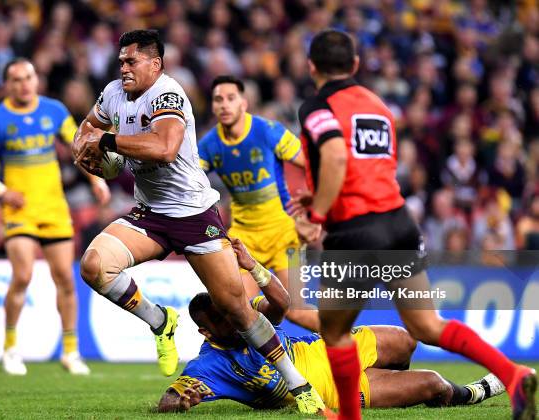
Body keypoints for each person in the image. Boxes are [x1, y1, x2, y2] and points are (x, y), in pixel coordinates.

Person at [71, 30, 324, 414]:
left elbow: (165, 147)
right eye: (120, 60)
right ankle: (160, 321)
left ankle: (297, 382)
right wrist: (82, 148)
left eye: (131, 60)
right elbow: (87, 128)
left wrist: (106, 142)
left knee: (237, 309)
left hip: (194, 215)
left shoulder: (168, 95)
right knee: (94, 265)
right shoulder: (112, 94)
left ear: (155, 65)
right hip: (151, 214)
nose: (122, 66)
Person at [289, 29, 536, 420]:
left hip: (355, 230)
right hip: (399, 223)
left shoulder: (317, 106)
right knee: (427, 325)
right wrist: (322, 190)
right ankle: (513, 373)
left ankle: (349, 418)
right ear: (354, 65)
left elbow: (336, 156)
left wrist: (318, 211)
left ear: (311, 66)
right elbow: (368, 166)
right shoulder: (379, 106)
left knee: (334, 331)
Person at [156, 239, 506, 413]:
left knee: (405, 341)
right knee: (434, 384)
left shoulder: (245, 313)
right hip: (330, 388)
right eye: (217, 320)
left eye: (225, 310)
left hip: (323, 346)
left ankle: (393, 383)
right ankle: (473, 393)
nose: (229, 319)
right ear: (206, 332)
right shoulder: (210, 365)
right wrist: (178, 401)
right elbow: (171, 398)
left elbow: (280, 304)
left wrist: (252, 266)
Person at [0, 58, 111, 375]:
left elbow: (80, 145)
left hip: (53, 208)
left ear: (37, 80)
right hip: (19, 210)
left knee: (65, 279)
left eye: (28, 77)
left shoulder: (54, 111)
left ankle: (71, 352)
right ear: (8, 84)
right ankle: (10, 348)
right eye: (16, 79)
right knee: (22, 276)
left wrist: (96, 180)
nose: (23, 84)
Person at [198, 75, 318, 330]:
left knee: (296, 309)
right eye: (218, 99)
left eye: (231, 98)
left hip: (285, 234)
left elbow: (312, 165)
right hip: (245, 238)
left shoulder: (267, 131)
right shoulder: (209, 145)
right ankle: (255, 366)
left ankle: (350, 341)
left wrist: (315, 213)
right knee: (240, 307)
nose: (224, 105)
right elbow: (189, 181)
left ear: (244, 103)